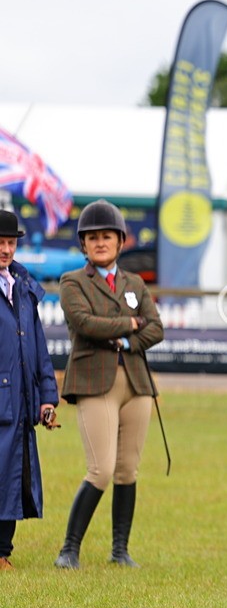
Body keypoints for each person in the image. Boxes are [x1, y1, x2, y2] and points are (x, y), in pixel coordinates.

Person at [55, 200, 164, 569]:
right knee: (100, 469)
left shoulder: (134, 282)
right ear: (83, 245)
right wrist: (130, 325)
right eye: (92, 238)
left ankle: (120, 550)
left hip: (135, 381)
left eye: (106, 236)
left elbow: (157, 328)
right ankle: (69, 549)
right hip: (94, 381)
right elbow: (85, 324)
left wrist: (127, 340)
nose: (100, 243)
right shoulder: (72, 281)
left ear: (120, 241)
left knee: (128, 470)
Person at [0, 209, 60, 570]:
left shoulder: (23, 288)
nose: (5, 249)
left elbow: (38, 348)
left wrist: (48, 398)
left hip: (20, 401)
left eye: (9, 243)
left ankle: (2, 551)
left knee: (13, 473)